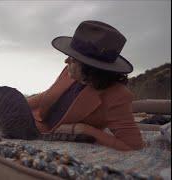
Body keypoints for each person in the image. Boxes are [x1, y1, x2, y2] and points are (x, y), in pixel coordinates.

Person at [27, 20, 145, 151]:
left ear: (90, 68)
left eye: (73, 59)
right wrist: (22, 103)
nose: (66, 61)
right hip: (32, 121)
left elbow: (133, 145)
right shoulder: (70, 71)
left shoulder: (118, 96)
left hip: (45, 135)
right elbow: (50, 94)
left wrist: (85, 130)